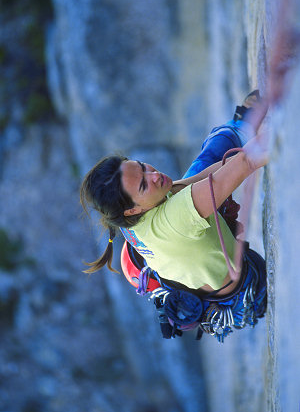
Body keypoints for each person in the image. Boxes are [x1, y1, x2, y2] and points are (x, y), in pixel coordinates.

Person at [80, 90, 268, 340]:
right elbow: (246, 163)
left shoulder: (128, 222)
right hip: (248, 289)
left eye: (142, 167)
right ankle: (241, 126)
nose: (154, 175)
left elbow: (198, 179)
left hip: (211, 285)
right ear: (133, 209)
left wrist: (227, 170)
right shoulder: (174, 218)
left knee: (206, 163)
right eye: (144, 185)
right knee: (217, 150)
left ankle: (240, 128)